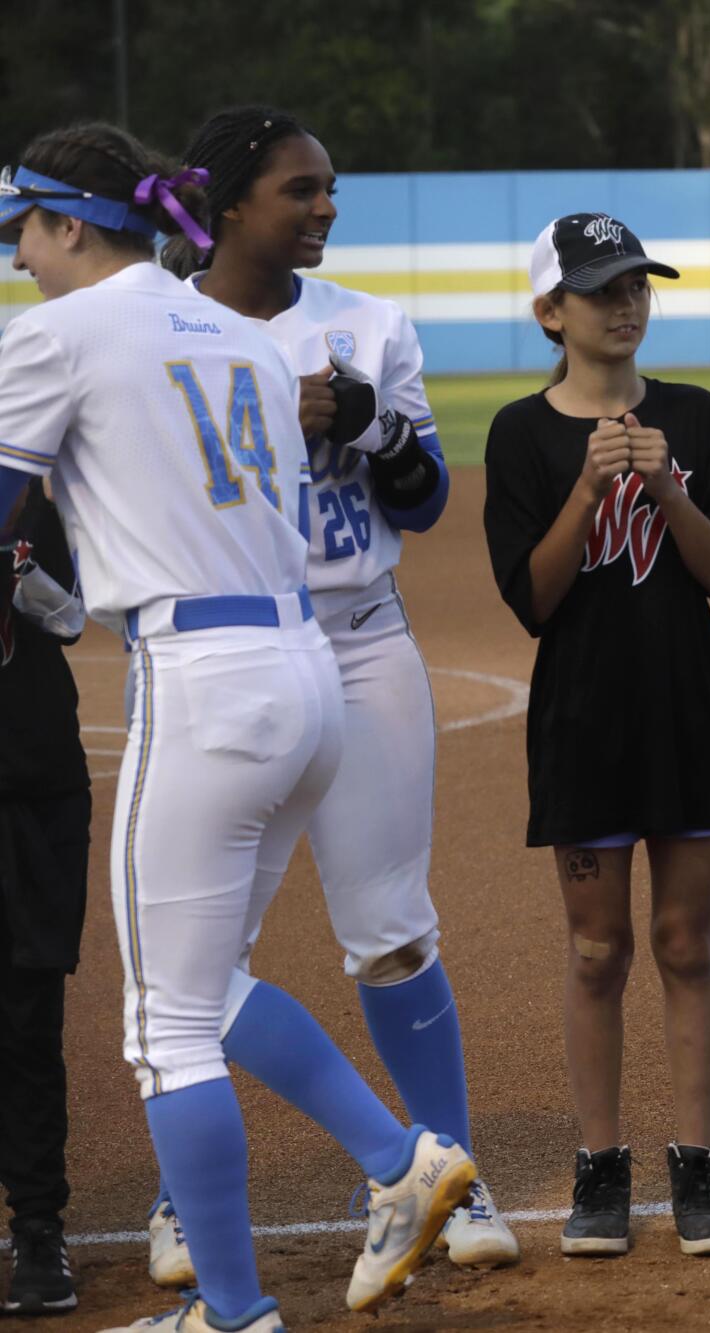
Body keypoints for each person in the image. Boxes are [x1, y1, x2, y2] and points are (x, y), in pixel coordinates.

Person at [0, 122, 473, 1331]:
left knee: (164, 1027)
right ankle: (397, 1160)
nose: (23, 261)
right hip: (310, 667)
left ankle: (234, 1307)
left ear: (66, 225)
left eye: (25, 236)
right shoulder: (241, 338)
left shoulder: (53, 333)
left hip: (201, 677)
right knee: (206, 988)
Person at [136, 104, 518, 1281]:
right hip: (228, 650)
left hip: (358, 640)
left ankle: (445, 1170)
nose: (324, 209)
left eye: (329, 188)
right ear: (229, 204)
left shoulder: (368, 325)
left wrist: (362, 416)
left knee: (392, 930)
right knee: (202, 948)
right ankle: (179, 1197)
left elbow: (422, 500)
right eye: (299, 190)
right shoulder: (157, 325)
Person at [483, 212, 710, 1258]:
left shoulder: (690, 414)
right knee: (597, 948)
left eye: (637, 284)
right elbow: (535, 599)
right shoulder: (521, 433)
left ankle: (698, 1166)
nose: (626, 303)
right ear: (552, 313)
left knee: (686, 944)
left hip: (686, 714)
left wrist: (666, 488)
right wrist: (589, 486)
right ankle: (599, 1171)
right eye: (600, 290)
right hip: (583, 724)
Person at [0, 482, 87, 1316]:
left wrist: (19, 576)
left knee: (29, 1021)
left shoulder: (31, 504)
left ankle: (37, 1227)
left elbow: (72, 616)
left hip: (35, 787)